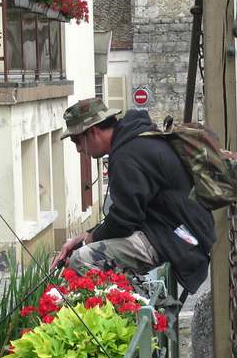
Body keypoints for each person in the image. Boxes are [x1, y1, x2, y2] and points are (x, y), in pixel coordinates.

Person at [50, 97, 216, 295]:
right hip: (181, 232)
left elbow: (124, 220)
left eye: (77, 140)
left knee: (82, 259)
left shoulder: (126, 155)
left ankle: (129, 310)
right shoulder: (137, 139)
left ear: (93, 132)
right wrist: (85, 236)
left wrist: (87, 242)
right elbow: (126, 213)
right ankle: (130, 304)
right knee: (90, 250)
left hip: (177, 238)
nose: (78, 149)